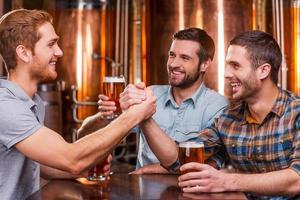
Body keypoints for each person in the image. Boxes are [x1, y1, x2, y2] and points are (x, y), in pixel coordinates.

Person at [0, 9, 156, 199]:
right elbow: (72, 158)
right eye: (51, 44)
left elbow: (39, 164)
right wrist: (134, 115)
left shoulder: (30, 102)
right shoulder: (6, 106)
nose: (60, 52)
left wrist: (82, 171)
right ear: (23, 53)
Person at [133, 30, 300, 199]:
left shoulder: (296, 112)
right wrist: (144, 116)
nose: (226, 74)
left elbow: (297, 179)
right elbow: (181, 160)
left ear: (263, 71)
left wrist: (228, 181)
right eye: (227, 65)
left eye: (235, 66)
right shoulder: (228, 119)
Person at [98, 28, 228, 173]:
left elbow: (201, 164)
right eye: (172, 55)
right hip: (143, 191)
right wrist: (107, 113)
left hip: (190, 191)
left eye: (185, 58)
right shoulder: (150, 93)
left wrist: (149, 170)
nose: (173, 64)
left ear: (205, 64)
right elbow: (91, 138)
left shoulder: (218, 106)